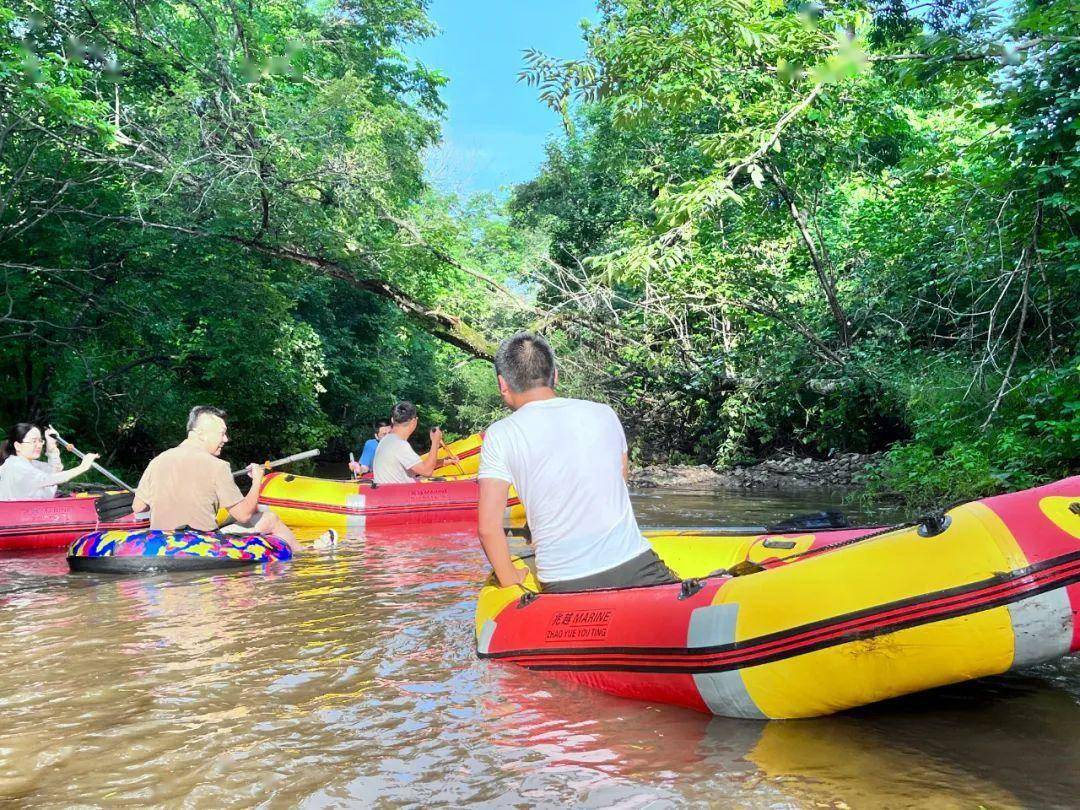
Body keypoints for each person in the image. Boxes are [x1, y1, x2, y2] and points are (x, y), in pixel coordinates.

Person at [476, 332, 679, 592]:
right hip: (636, 566)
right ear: (556, 375)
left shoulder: (500, 434)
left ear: (503, 384)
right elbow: (617, 483)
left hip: (563, 582)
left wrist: (510, 579)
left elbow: (488, 528)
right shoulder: (604, 413)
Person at [130, 406, 333, 551]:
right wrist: (257, 481)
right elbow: (244, 515)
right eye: (222, 433)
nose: (226, 439)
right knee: (269, 519)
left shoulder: (157, 461)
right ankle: (306, 553)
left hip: (160, 542)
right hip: (201, 543)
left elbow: (138, 508)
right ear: (200, 434)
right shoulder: (218, 466)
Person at [0, 423, 100, 501]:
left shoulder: (31, 464)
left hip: (30, 517)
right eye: (34, 441)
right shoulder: (15, 465)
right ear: (18, 445)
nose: (39, 445)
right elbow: (50, 479)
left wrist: (51, 446)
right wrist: (83, 466)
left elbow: (54, 471)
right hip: (15, 522)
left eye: (40, 441)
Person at [371, 402, 443, 485]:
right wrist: (435, 442)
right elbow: (427, 471)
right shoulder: (399, 445)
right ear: (414, 421)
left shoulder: (386, 440)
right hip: (398, 496)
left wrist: (442, 462)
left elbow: (413, 469)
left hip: (386, 493)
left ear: (392, 420)